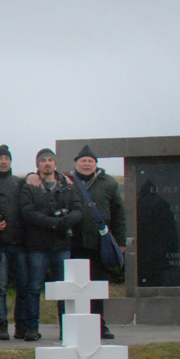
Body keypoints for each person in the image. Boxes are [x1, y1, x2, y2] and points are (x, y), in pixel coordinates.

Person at [20, 148, 83, 342]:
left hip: (61, 245)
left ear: (55, 164)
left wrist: (65, 222)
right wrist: (52, 223)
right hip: (37, 245)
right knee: (34, 288)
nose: (47, 164)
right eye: (43, 161)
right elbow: (27, 212)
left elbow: (78, 209)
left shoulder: (68, 186)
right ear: (37, 165)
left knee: (64, 289)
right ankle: (32, 327)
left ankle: (66, 329)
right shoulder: (30, 186)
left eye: (50, 160)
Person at [67, 144, 126, 339]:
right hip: (72, 244)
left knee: (97, 286)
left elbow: (119, 214)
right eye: (83, 161)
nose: (86, 164)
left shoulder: (108, 183)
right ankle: (70, 327)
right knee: (72, 288)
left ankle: (99, 325)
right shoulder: (66, 181)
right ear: (76, 163)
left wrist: (120, 241)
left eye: (90, 161)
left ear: (96, 164)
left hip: (98, 244)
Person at [0, 145, 29, 340]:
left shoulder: (19, 183)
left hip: (19, 243)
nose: (3, 161)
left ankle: (22, 325)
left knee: (23, 286)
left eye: (6, 158)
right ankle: (1, 325)